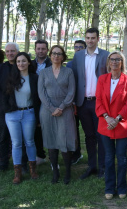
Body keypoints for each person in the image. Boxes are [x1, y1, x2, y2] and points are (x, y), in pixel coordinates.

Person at [95, 52, 127, 199]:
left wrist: (116, 119)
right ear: (108, 62)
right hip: (105, 124)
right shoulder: (102, 79)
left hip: (122, 124)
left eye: (118, 59)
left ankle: (122, 187)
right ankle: (109, 188)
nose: (115, 62)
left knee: (122, 157)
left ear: (122, 62)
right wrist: (107, 118)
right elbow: (98, 100)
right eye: (112, 59)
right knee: (109, 157)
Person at [71, 28, 110, 180]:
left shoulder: (106, 55)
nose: (90, 41)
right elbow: (74, 77)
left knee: (101, 136)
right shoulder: (78, 56)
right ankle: (91, 166)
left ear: (98, 39)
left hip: (99, 103)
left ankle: (103, 167)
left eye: (93, 38)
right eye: (87, 38)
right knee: (89, 136)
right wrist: (74, 100)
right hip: (83, 102)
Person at [38, 45, 76, 184]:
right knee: (51, 141)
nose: (56, 56)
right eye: (53, 53)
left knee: (64, 141)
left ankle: (67, 173)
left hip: (65, 110)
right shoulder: (43, 73)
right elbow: (41, 92)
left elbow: (72, 92)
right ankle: (55, 172)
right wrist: (51, 108)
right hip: (47, 111)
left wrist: (61, 107)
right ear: (50, 55)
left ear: (63, 56)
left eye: (59, 54)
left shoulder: (69, 72)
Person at [3, 52, 41, 184]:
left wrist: (38, 117)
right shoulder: (11, 77)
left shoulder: (35, 78)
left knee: (29, 141)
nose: (21, 64)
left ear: (29, 62)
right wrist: (7, 109)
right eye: (18, 61)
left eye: (24, 61)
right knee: (16, 143)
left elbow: (38, 99)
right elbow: (3, 96)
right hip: (12, 114)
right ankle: (17, 173)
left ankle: (33, 170)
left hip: (29, 113)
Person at [0, 42, 20, 171]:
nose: (10, 53)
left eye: (12, 51)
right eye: (8, 51)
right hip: (4, 107)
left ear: (17, 52)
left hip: (20, 106)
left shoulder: (22, 65)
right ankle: (3, 163)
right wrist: (4, 103)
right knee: (3, 136)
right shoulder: (1, 68)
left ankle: (22, 163)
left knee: (21, 137)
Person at [66, 39, 86, 164]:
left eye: (80, 47)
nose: (78, 49)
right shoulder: (69, 65)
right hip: (73, 102)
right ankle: (76, 153)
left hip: (87, 101)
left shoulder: (89, 62)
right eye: (76, 46)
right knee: (74, 129)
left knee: (90, 130)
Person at [32, 39, 51, 165]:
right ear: (35, 50)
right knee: (36, 128)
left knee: (50, 128)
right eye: (38, 48)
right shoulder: (30, 64)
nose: (40, 51)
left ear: (47, 50)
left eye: (43, 49)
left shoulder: (52, 63)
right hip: (33, 100)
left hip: (49, 100)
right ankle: (40, 154)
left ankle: (53, 156)